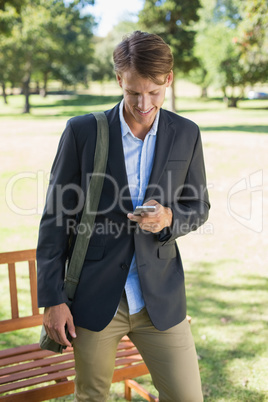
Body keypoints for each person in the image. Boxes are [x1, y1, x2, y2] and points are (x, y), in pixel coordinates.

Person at [37, 30, 210, 401]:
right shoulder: (82, 131)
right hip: (96, 298)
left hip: (160, 300)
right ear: (119, 79)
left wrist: (168, 220)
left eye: (154, 92)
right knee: (92, 396)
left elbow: (199, 207)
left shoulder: (187, 133)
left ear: (169, 79)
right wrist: (53, 299)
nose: (143, 103)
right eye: (133, 92)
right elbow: (54, 220)